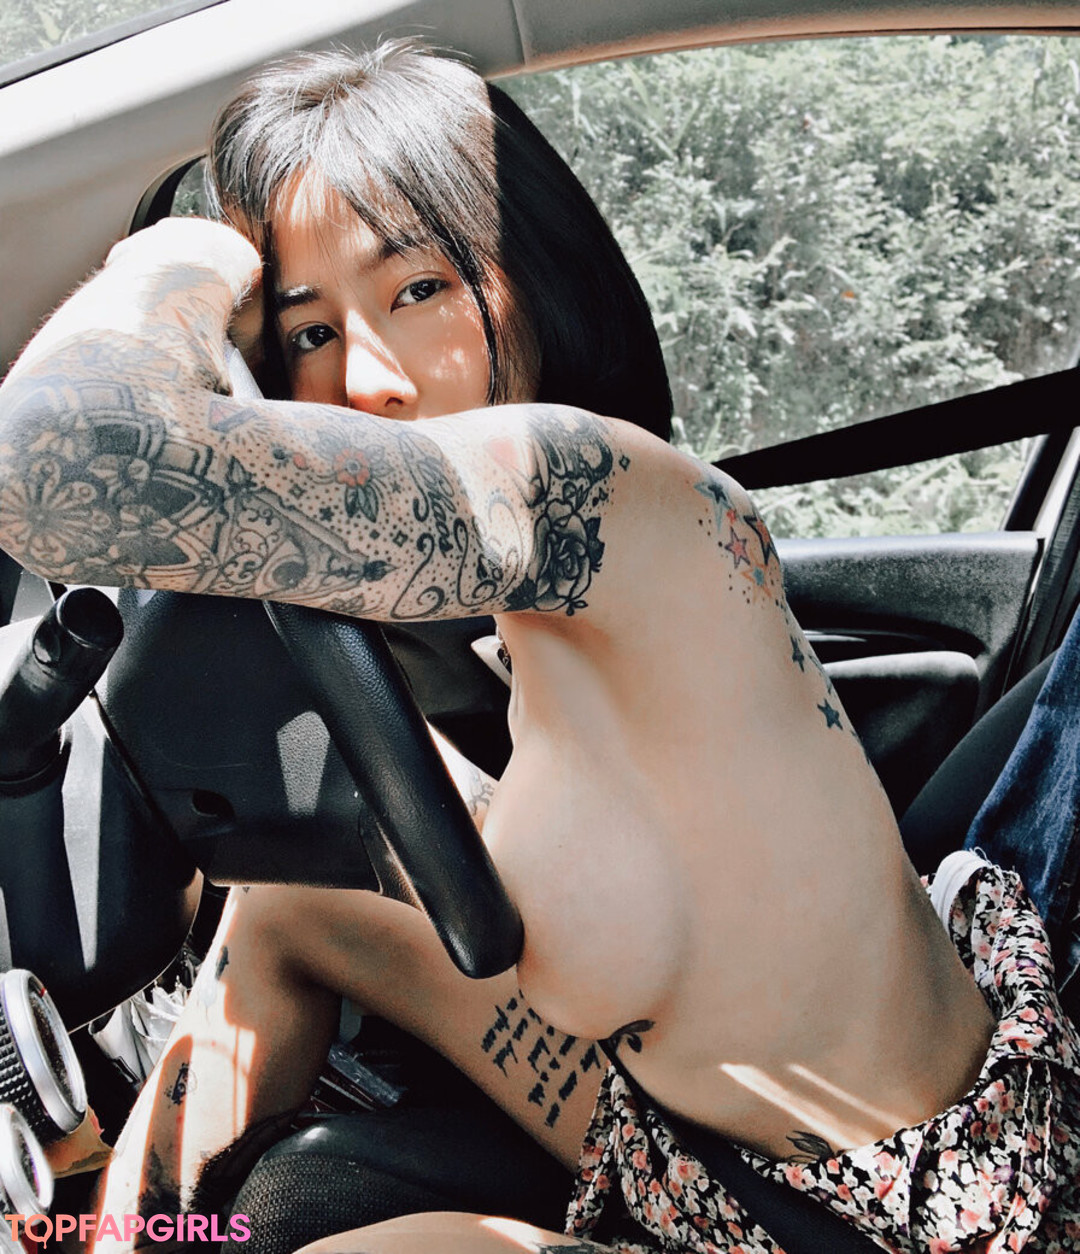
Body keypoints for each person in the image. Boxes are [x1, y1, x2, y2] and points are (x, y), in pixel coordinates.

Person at [0, 39, 1076, 1254]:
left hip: (892, 1227)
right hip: (696, 1149)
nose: (369, 381)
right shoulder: (535, 607)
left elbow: (53, 468)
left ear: (537, 281)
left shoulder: (612, 494)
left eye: (419, 289)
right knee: (291, 903)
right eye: (307, 334)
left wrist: (181, 255)